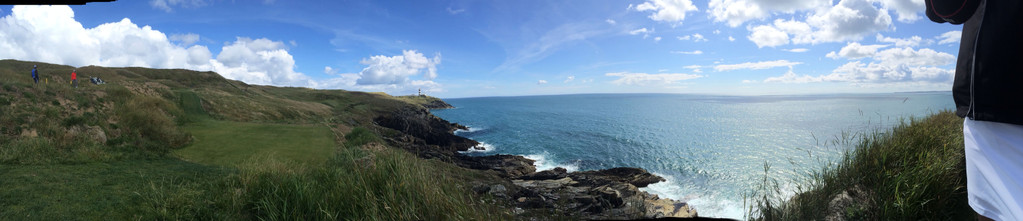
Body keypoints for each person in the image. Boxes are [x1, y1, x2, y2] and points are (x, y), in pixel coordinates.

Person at [926, 0, 1023, 220]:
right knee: (990, 209)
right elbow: (945, 10)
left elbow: (947, 10)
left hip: (994, 102)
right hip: (991, 108)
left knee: (991, 211)